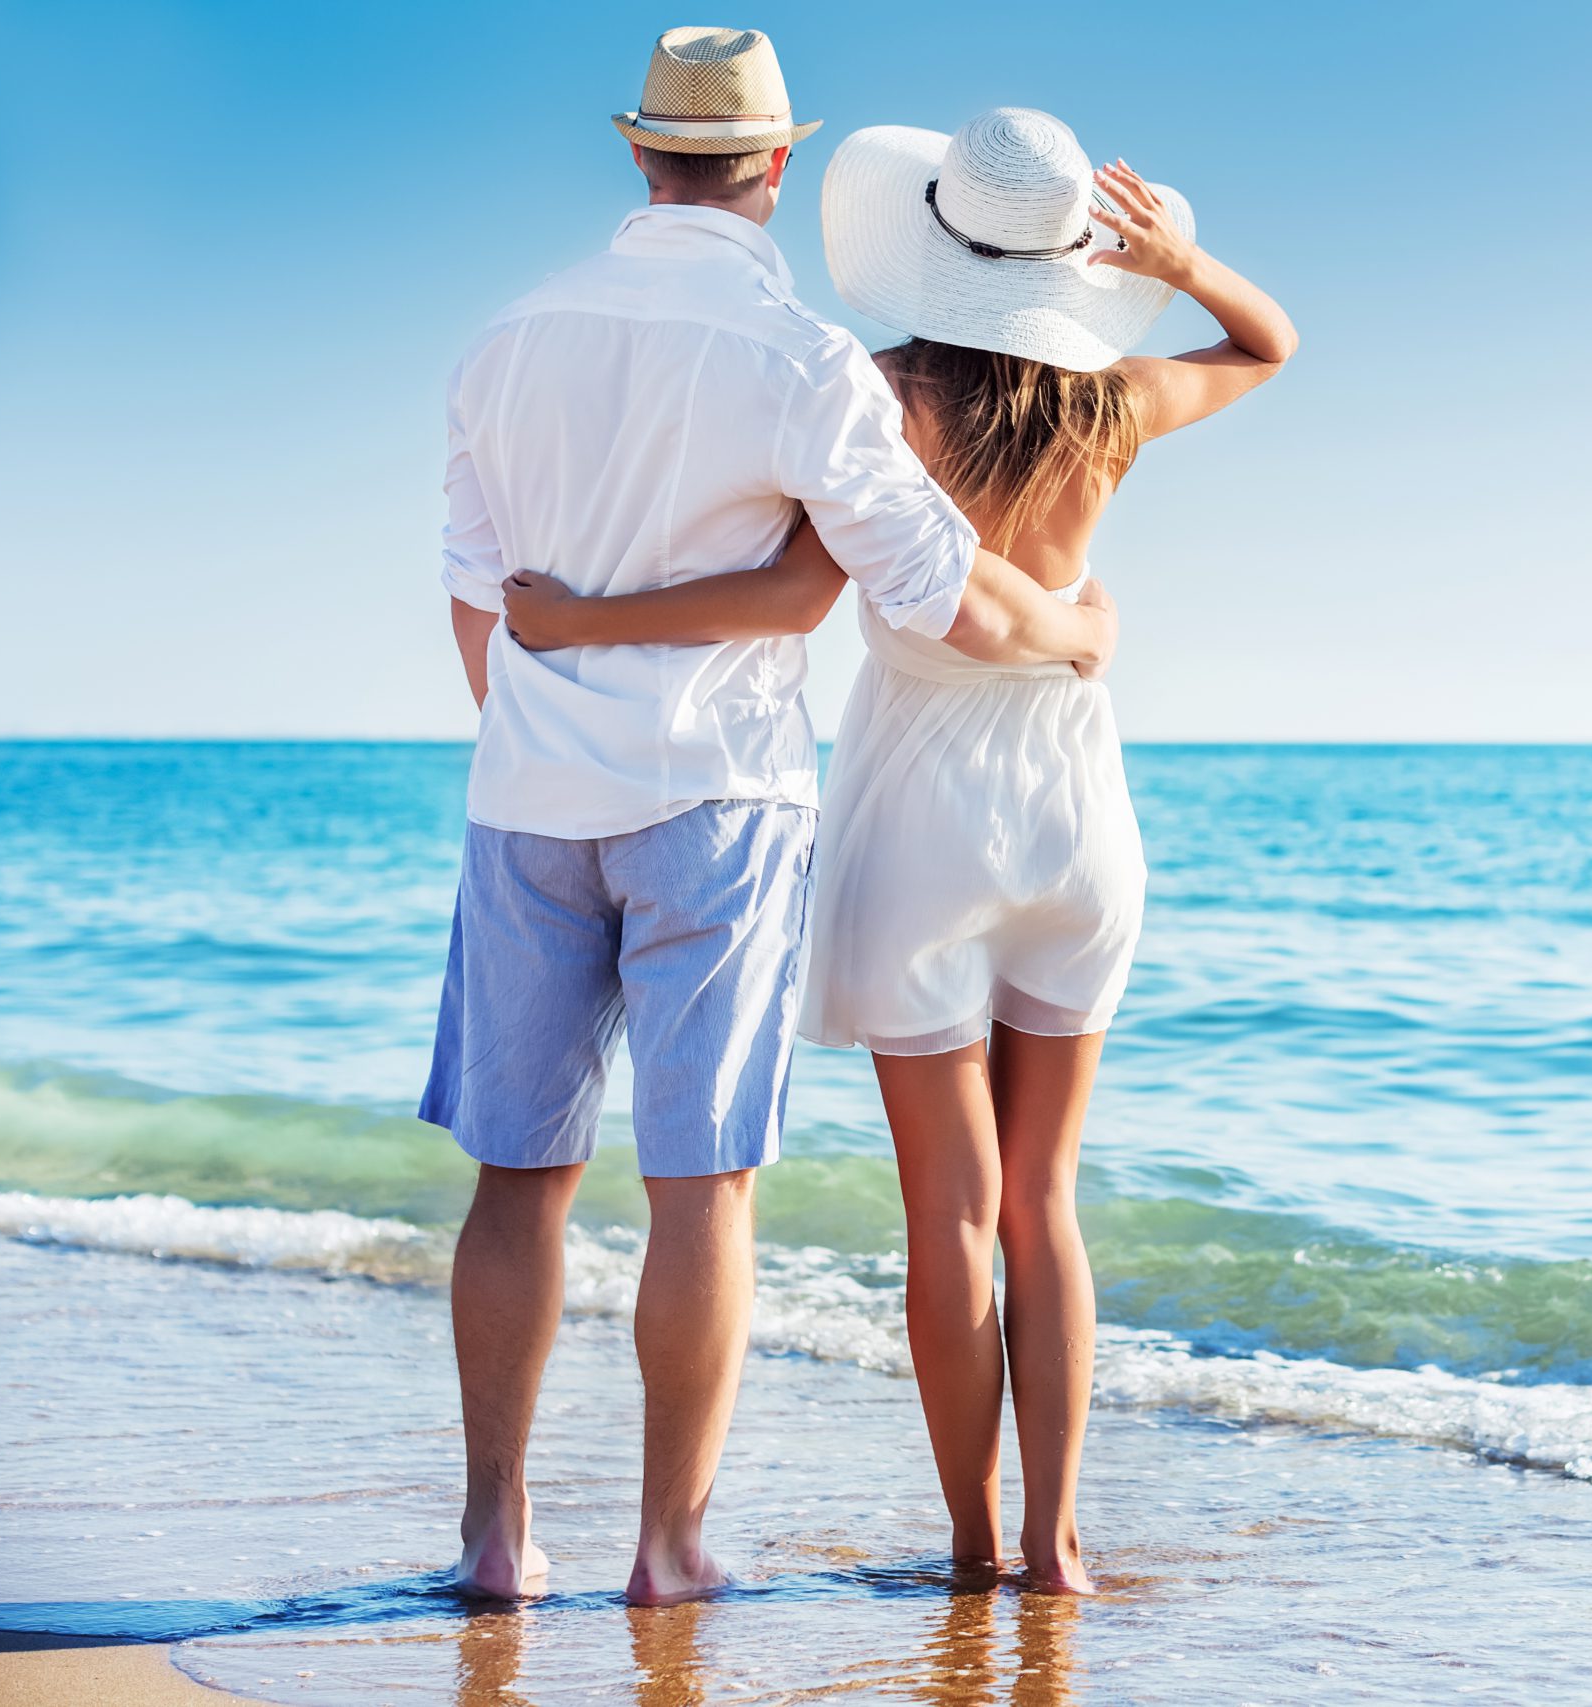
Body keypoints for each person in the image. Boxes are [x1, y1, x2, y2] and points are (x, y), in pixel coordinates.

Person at [502, 107, 1297, 1592]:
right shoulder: (1115, 403)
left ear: (934, 249)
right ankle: (1057, 1547)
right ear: (1069, 264)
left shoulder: (883, 398)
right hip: (1074, 807)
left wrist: (583, 622)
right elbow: (1268, 346)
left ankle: (975, 1541)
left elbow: (787, 590)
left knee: (954, 1209)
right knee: (1049, 1201)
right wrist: (1182, 261)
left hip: (921, 813)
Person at [420, 37, 1117, 1609]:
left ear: (640, 159)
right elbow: (934, 585)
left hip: (527, 799)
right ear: (778, 169)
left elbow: (477, 607)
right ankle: (666, 1546)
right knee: (701, 1182)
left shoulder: (503, 340)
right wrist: (1075, 636)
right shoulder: (802, 357)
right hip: (720, 800)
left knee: (515, 1180)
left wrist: (552, 721)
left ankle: (492, 1535)